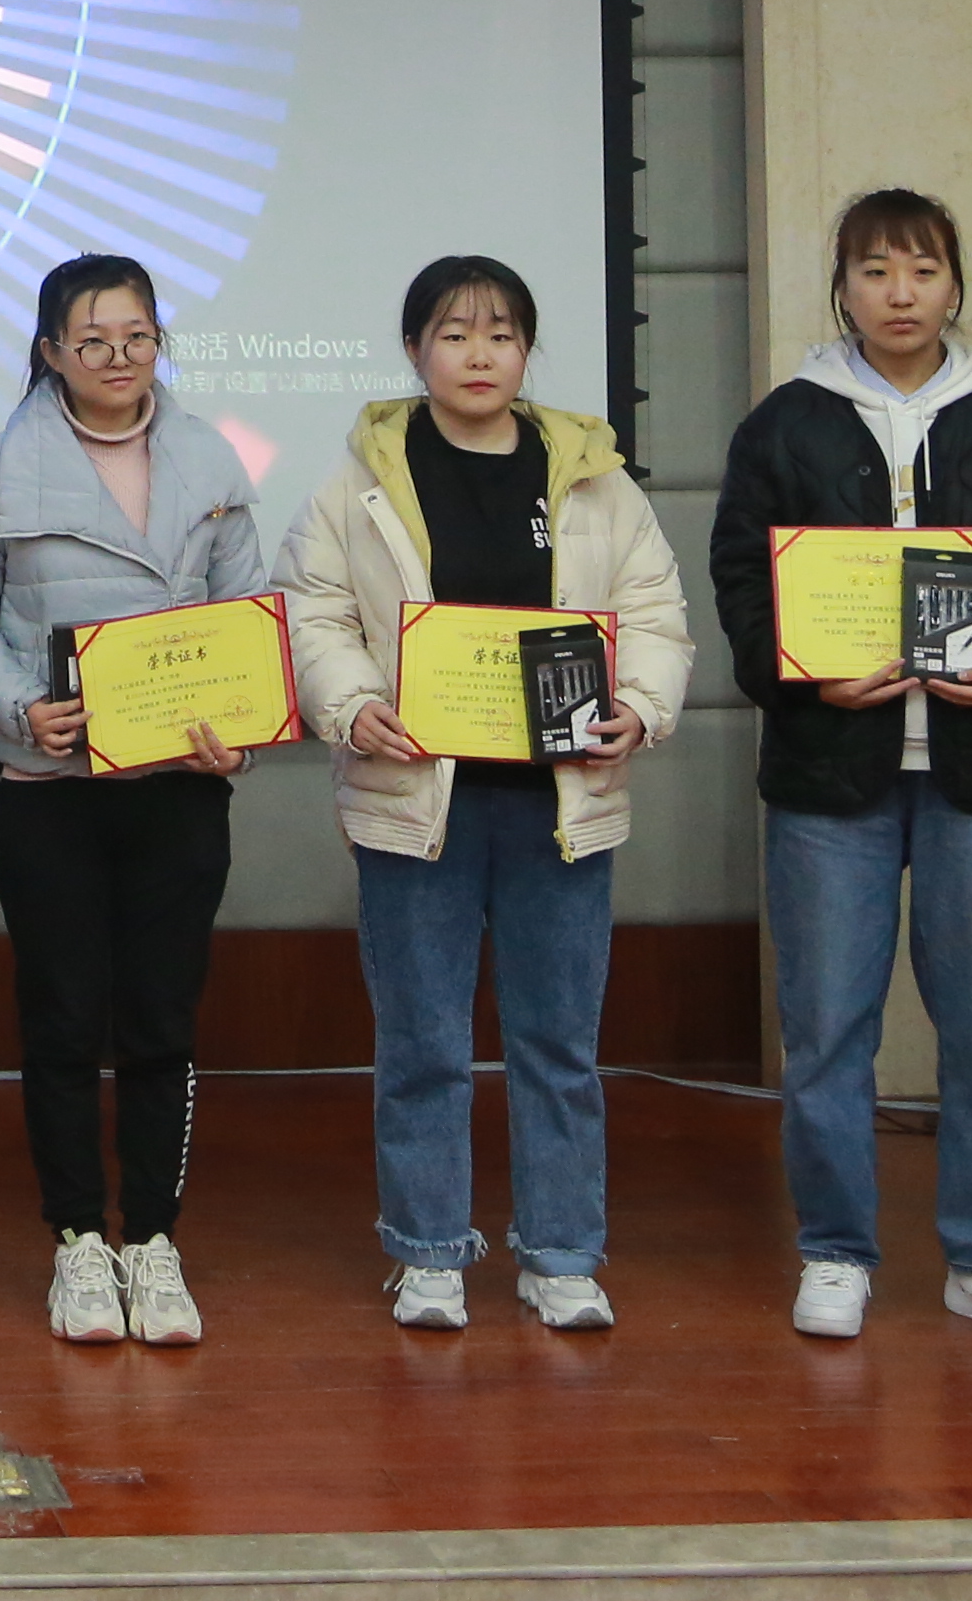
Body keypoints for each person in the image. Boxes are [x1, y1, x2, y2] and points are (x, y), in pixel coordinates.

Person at [708, 189, 972, 1348]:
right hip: (834, 771)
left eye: (923, 271)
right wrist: (801, 676)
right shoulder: (785, 424)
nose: (900, 294)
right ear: (841, 286)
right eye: (875, 271)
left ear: (955, 285)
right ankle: (835, 1251)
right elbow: (741, 582)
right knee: (829, 1027)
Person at [279, 255, 691, 1336]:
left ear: (526, 351)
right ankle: (428, 1252)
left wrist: (640, 707)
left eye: (501, 334)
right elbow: (314, 611)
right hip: (419, 799)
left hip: (561, 800)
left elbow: (654, 610)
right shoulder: (361, 480)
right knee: (423, 1040)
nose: (479, 354)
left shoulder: (592, 477)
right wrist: (351, 705)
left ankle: (562, 1254)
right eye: (455, 334)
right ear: (414, 350)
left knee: (559, 1042)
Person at [0, 253, 264, 1349]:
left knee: (163, 1019)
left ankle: (154, 1240)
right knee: (64, 1021)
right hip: (47, 789)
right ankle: (78, 1239)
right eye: (93, 341)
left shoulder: (212, 458)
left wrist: (239, 731)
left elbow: (245, 611)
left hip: (177, 787)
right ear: (49, 353)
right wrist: (20, 706)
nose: (119, 358)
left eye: (138, 337)